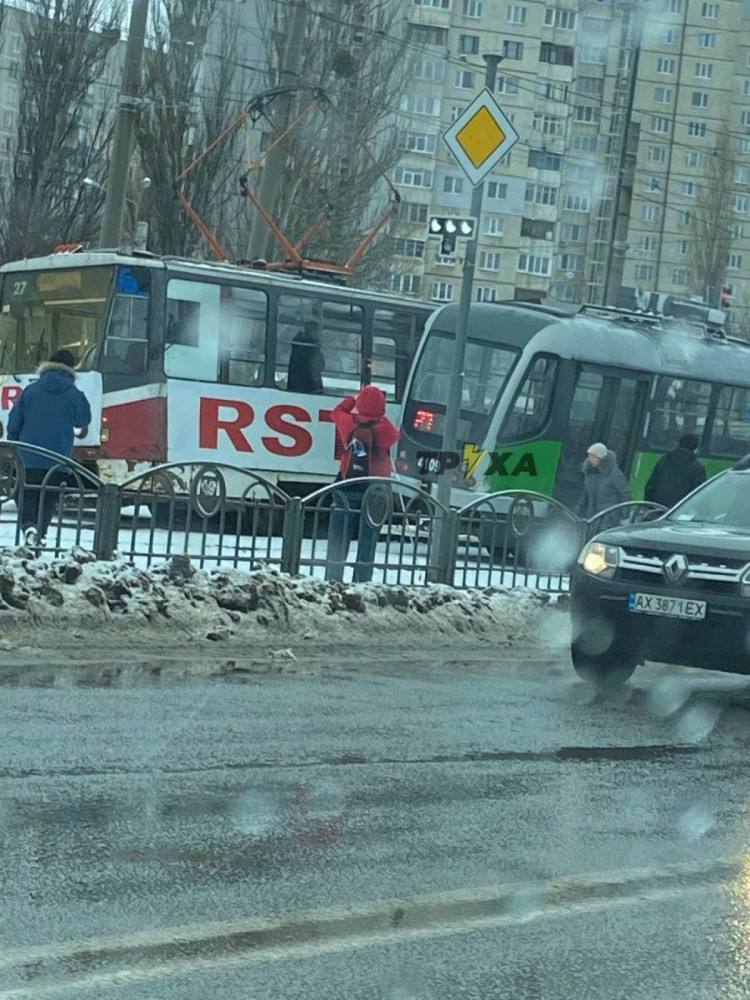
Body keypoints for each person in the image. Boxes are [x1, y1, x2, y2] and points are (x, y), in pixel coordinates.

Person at [7, 349, 92, 548]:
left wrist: (14, 443)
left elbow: (14, 421)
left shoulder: (30, 390)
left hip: (28, 456)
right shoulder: (73, 393)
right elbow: (84, 419)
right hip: (58, 459)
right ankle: (41, 534)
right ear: (71, 370)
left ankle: (29, 527)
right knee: (49, 498)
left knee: (26, 493)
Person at [325, 384, 400, 583]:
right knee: (368, 539)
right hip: (375, 489)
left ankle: (333, 580)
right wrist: (379, 415)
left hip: (346, 485)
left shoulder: (347, 422)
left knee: (339, 537)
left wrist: (353, 399)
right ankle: (362, 581)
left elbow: (336, 411)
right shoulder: (385, 429)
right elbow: (395, 435)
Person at [644, 434, 706, 509]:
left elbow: (650, 486)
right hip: (678, 511)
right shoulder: (698, 468)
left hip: (656, 508)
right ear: (695, 449)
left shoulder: (663, 461)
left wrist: (649, 505)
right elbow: (699, 494)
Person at [578, 442, 631, 520]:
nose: (591, 459)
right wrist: (578, 512)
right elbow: (586, 495)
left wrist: (624, 513)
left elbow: (625, 494)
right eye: (590, 456)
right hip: (591, 517)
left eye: (594, 457)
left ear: (601, 458)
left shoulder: (614, 474)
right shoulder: (589, 473)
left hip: (609, 517)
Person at [287, 322, 325, 394]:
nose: (317, 335)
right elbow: (316, 367)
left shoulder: (305, 345)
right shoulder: (306, 346)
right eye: (315, 331)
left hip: (301, 385)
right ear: (309, 331)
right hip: (304, 386)